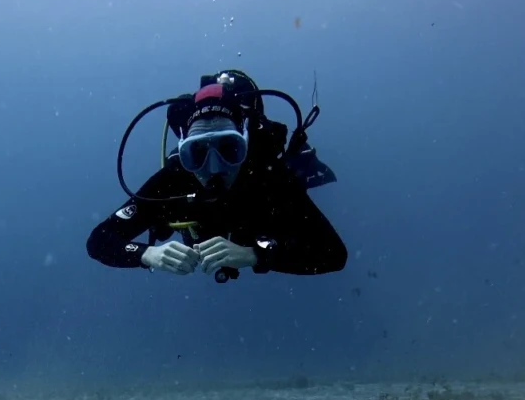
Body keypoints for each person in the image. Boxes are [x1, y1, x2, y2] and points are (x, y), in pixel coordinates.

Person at [87, 70, 347, 282]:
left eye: (229, 149)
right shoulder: (173, 179)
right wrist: (148, 254)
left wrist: (255, 254)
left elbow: (333, 254)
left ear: (245, 144)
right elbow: (99, 240)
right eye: (197, 153)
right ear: (183, 152)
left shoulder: (267, 177)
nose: (213, 167)